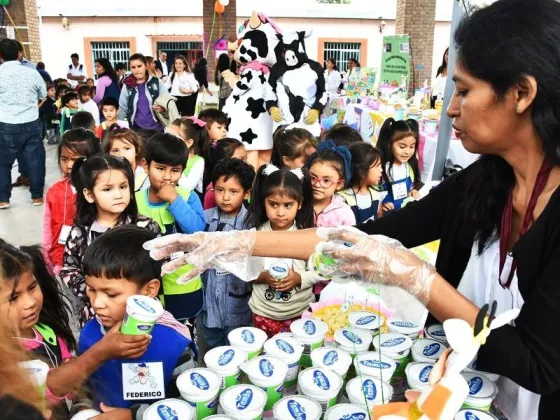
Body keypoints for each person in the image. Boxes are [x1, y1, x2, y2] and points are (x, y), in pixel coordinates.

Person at [145, 1, 560, 418]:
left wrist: (417, 277)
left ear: (521, 93)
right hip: (464, 396)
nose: (451, 107)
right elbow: (358, 237)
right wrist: (231, 241)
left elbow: (537, 365)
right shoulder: (484, 182)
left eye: (465, 90)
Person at [78, 226, 196, 418]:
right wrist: (82, 411)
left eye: (111, 294)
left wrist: (132, 415)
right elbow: (82, 385)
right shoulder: (89, 333)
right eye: (91, 290)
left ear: (149, 290)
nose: (97, 304)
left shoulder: (176, 346)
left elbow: (188, 404)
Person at [60, 155, 161, 326]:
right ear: (89, 194)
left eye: (123, 187)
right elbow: (69, 268)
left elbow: (160, 264)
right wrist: (94, 290)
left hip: (140, 312)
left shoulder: (146, 227)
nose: (118, 195)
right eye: (107, 189)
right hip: (97, 314)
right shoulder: (80, 232)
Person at [136, 133, 205, 324]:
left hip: (183, 284)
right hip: (147, 287)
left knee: (183, 333)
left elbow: (198, 229)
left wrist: (174, 200)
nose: (167, 177)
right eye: (160, 168)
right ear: (145, 165)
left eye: (174, 170)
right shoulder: (136, 200)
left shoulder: (188, 196)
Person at [248, 164, 318, 337]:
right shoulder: (255, 235)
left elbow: (321, 269)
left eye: (288, 205)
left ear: (299, 204)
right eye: (273, 204)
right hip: (263, 313)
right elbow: (246, 271)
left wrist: (300, 278)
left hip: (300, 312)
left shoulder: (307, 236)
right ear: (264, 202)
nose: (280, 212)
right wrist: (263, 276)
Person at [198, 158, 255, 358]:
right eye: (220, 190)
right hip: (209, 304)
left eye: (233, 191)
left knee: (238, 351)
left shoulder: (251, 224)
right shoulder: (203, 218)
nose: (225, 197)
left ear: (246, 193)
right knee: (213, 350)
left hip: (238, 305)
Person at [43, 129, 101, 275]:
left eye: (76, 159)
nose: (69, 166)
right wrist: (47, 257)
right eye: (64, 159)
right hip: (60, 263)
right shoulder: (54, 191)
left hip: (94, 265)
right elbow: (47, 228)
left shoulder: (100, 190)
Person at [0, 38, 47, 209]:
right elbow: (43, 93)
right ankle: (36, 196)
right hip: (31, 123)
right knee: (35, 160)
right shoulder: (32, 72)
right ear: (19, 54)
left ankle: (3, 199)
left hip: (6, 124)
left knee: (3, 163)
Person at [306, 140, 355, 227]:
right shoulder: (298, 204)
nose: (317, 184)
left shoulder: (344, 213)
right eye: (313, 178)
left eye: (326, 180)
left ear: (339, 184)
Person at [377, 118, 421, 212]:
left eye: (412, 147)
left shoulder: (409, 167)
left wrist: (412, 191)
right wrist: (380, 205)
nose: (407, 152)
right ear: (389, 144)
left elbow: (411, 186)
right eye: (402, 147)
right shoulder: (382, 168)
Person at [338, 142, 384, 224]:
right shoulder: (342, 199)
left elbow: (379, 221)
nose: (381, 170)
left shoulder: (377, 193)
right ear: (361, 171)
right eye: (377, 166)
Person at [119, 53, 167, 131]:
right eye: (133, 67)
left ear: (145, 66)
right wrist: (122, 126)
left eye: (139, 66)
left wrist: (162, 108)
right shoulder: (127, 85)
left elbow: (167, 101)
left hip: (158, 128)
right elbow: (122, 107)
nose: (137, 70)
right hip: (138, 130)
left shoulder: (156, 82)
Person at [167, 117, 208, 199]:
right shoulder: (167, 155)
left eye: (174, 137)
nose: (168, 140)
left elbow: (188, 186)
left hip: (187, 202)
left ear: (189, 142)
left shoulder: (198, 161)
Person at [203, 138, 248, 210]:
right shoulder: (212, 192)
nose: (245, 163)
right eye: (241, 159)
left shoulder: (246, 180)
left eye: (245, 159)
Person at [102, 126, 148, 191]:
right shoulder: (105, 177)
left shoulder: (146, 176)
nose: (121, 155)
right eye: (115, 150)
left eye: (127, 148)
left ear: (137, 150)